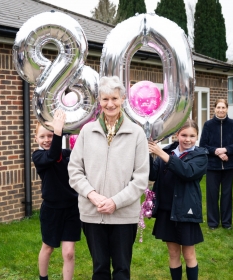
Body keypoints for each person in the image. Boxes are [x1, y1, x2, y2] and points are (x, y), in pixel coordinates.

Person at [68, 76, 149, 280]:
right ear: (99, 101)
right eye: (105, 99)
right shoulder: (87, 131)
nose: (110, 104)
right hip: (92, 213)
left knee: (122, 270)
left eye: (114, 98)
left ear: (122, 99)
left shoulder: (137, 133)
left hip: (124, 215)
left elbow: (140, 179)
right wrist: (92, 195)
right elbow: (74, 170)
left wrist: (115, 202)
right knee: (100, 269)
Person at [148, 119, 208, 280]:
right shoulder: (168, 151)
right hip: (167, 211)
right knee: (173, 253)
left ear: (197, 137)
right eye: (184, 135)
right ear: (177, 135)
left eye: (192, 136)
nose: (187, 139)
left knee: (188, 254)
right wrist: (146, 154)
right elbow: (153, 175)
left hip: (186, 211)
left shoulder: (201, 155)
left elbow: (187, 172)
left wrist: (161, 153)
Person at [32, 109, 81, 280]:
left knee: (68, 253)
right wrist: (58, 131)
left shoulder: (67, 155)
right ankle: (43, 278)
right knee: (48, 247)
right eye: (42, 137)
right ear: (36, 139)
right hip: (51, 210)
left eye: (50, 136)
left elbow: (80, 158)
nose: (46, 140)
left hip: (71, 209)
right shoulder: (38, 156)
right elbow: (52, 156)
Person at [199, 98, 233, 230]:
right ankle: (213, 223)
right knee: (212, 194)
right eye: (218, 107)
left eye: (223, 107)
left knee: (227, 194)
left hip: (229, 165)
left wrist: (226, 150)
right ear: (214, 109)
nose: (221, 110)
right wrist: (216, 151)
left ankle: (226, 223)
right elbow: (203, 146)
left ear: (227, 109)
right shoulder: (208, 125)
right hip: (212, 166)